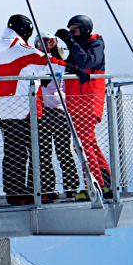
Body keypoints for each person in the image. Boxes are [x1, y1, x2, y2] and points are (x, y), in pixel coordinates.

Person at [0, 15, 89, 205]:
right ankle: (39, 190)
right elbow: (46, 62)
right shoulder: (21, 50)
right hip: (26, 109)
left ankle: (15, 193)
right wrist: (75, 70)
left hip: (5, 110)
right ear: (25, 30)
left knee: (13, 151)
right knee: (37, 151)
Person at [55, 15, 112, 199]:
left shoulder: (96, 45)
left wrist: (71, 42)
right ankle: (105, 180)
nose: (72, 34)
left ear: (85, 29)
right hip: (76, 102)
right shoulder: (75, 48)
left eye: (75, 30)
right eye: (70, 31)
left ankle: (94, 186)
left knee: (82, 143)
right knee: (88, 142)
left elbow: (87, 61)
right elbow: (67, 64)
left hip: (89, 99)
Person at [34, 32, 80, 198]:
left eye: (48, 42)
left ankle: (71, 186)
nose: (44, 46)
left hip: (59, 111)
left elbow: (69, 66)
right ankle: (48, 188)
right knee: (44, 153)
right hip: (42, 112)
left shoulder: (59, 63)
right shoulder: (35, 63)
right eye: (40, 43)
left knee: (62, 151)